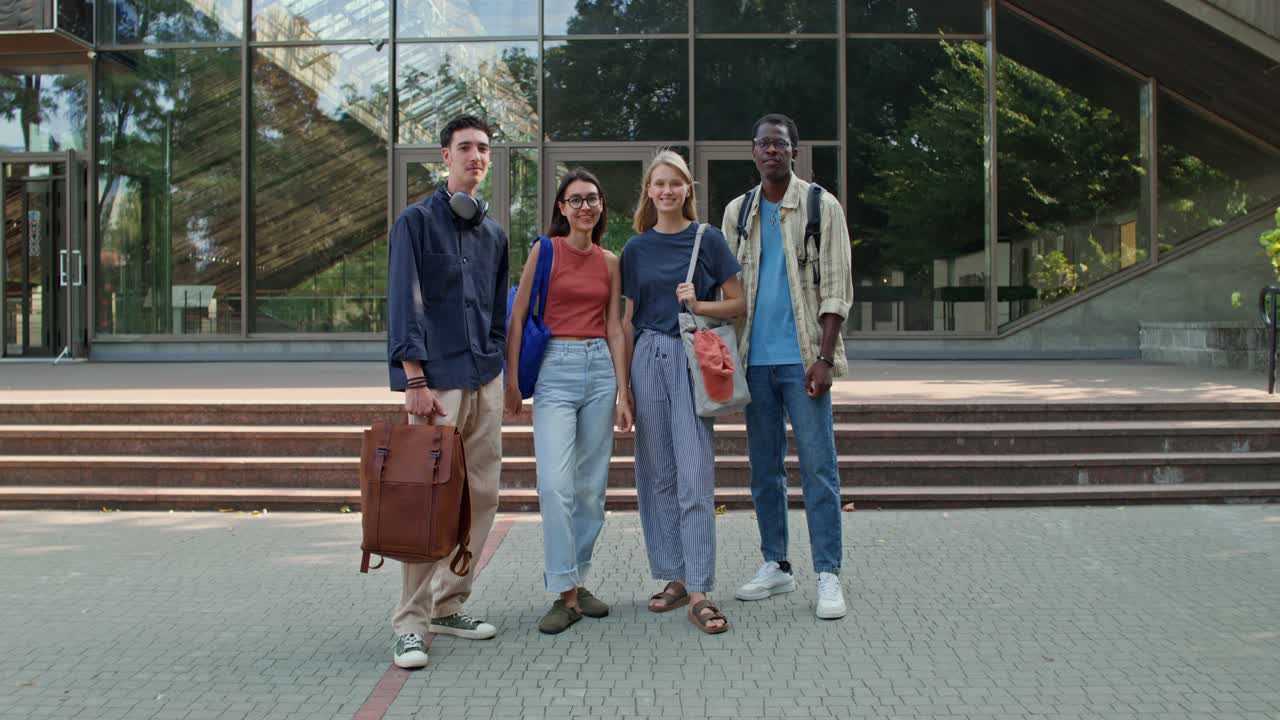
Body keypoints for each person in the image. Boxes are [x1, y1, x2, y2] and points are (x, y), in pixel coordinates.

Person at [385, 115, 508, 669]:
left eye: (483, 148)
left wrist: (499, 364)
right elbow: (402, 301)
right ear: (444, 156)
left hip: (484, 376)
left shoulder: (496, 234)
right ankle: (410, 622)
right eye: (465, 148)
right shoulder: (414, 224)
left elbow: (497, 311)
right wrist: (412, 378)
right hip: (435, 383)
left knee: (481, 496)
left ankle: (450, 603)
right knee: (425, 500)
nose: (476, 156)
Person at [721, 113, 855, 620]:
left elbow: (837, 289)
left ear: (794, 152)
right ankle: (776, 563)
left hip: (803, 362)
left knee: (819, 467)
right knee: (764, 471)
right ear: (753, 152)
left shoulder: (822, 206)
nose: (771, 150)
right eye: (762, 143)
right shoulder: (738, 212)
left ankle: (828, 572)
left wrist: (823, 358)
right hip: (755, 361)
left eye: (780, 143)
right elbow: (727, 288)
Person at [620, 150, 745, 634]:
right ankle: (671, 576)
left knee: (694, 472)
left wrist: (701, 303)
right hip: (646, 356)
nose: (667, 191)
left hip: (689, 356)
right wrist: (623, 390)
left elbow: (738, 303)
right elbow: (628, 320)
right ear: (648, 191)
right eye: (659, 184)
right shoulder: (635, 249)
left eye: (676, 183)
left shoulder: (707, 239)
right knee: (656, 474)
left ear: (688, 189)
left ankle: (699, 588)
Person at [504, 168, 632, 634]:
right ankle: (562, 591)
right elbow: (517, 317)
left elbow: (616, 326)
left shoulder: (611, 261)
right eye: (575, 200)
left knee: (590, 487)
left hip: (599, 368)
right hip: (555, 369)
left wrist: (623, 390)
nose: (585, 207)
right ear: (562, 208)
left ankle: (575, 583)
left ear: (601, 207)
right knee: (554, 484)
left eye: (592, 199)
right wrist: (513, 380)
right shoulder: (545, 250)